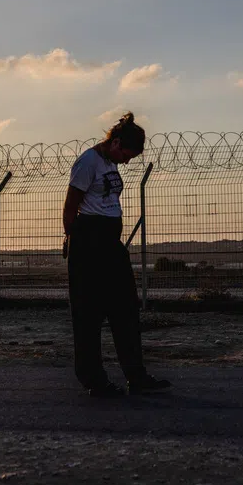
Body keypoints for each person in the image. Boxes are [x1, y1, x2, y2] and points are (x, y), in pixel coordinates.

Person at [63, 112, 171, 397]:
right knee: (89, 313)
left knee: (125, 308)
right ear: (116, 142)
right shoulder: (88, 162)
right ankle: (94, 380)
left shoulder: (109, 161)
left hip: (110, 242)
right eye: (127, 154)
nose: (127, 161)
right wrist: (75, 239)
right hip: (89, 242)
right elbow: (70, 204)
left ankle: (136, 375)